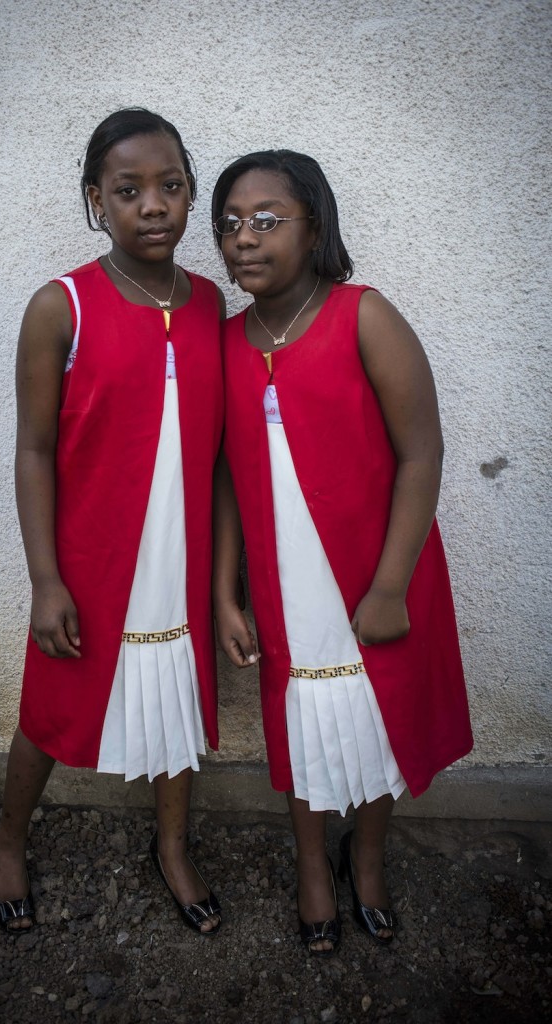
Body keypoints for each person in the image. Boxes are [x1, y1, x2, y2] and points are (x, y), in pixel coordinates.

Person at [211, 150, 473, 956]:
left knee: (373, 716)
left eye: (265, 220)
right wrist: (227, 591)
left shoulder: (363, 315)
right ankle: (310, 867)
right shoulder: (223, 341)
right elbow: (221, 474)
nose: (241, 240)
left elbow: (421, 452)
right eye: (227, 224)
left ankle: (364, 856)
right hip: (285, 579)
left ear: (314, 227)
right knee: (302, 720)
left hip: (372, 572)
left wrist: (391, 585)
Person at [0, 109, 224, 936]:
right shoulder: (61, 307)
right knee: (53, 705)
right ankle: (9, 837)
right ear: (96, 201)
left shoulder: (208, 305)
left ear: (191, 196)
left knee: (174, 706)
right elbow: (35, 449)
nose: (152, 206)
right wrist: (46, 578)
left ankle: (171, 847)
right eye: (128, 192)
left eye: (171, 187)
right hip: (90, 554)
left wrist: (224, 584)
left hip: (178, 551)